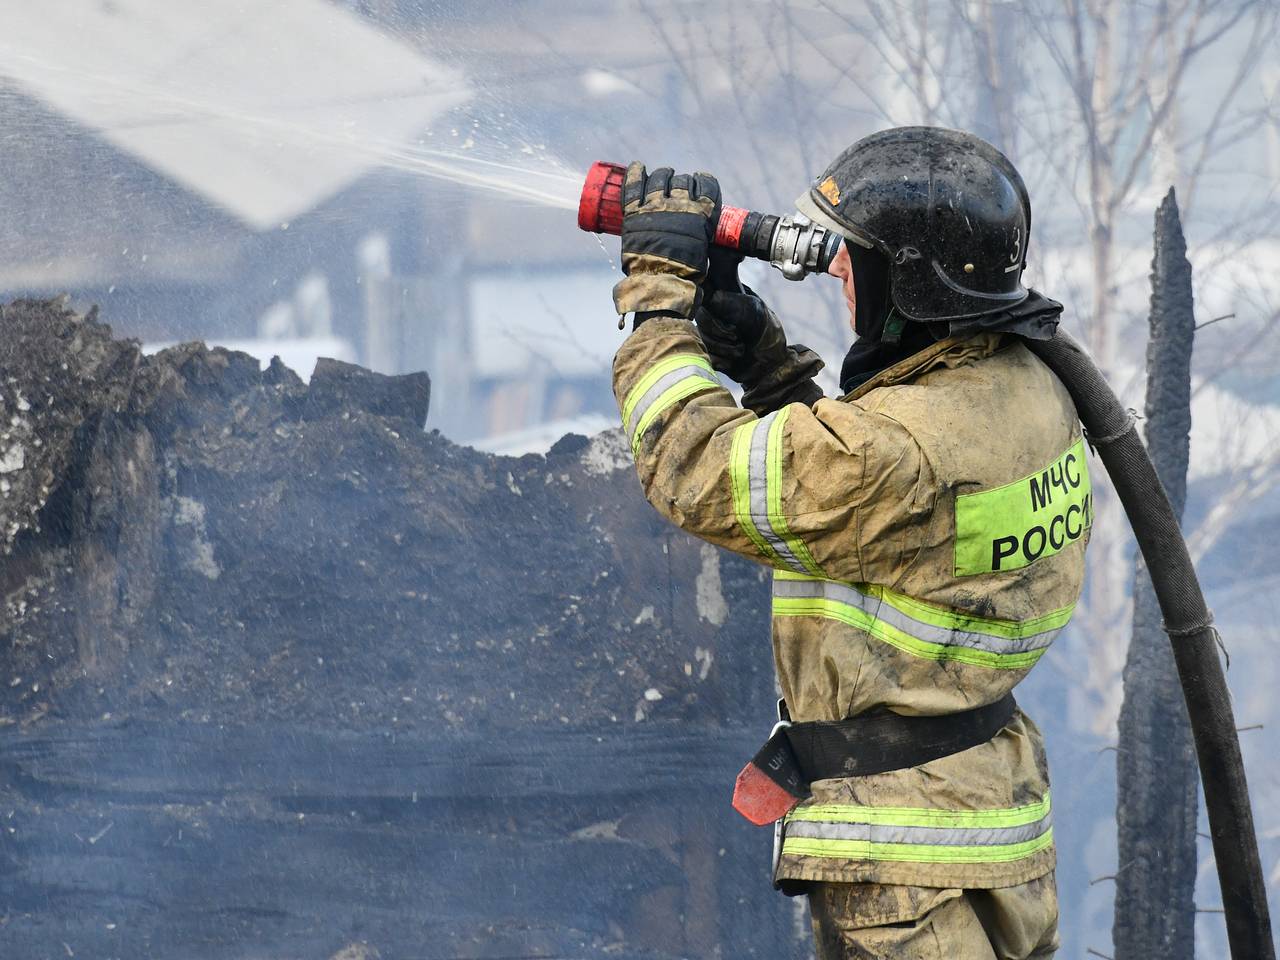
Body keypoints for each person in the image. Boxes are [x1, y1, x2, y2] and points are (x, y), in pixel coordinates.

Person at [608, 126, 1088, 959]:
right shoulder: (1024, 387)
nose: (837, 274)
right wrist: (765, 366)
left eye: (854, 261)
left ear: (907, 283)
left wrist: (660, 301)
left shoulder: (894, 455)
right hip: (988, 815)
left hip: (905, 865)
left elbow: (691, 467)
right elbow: (875, 515)